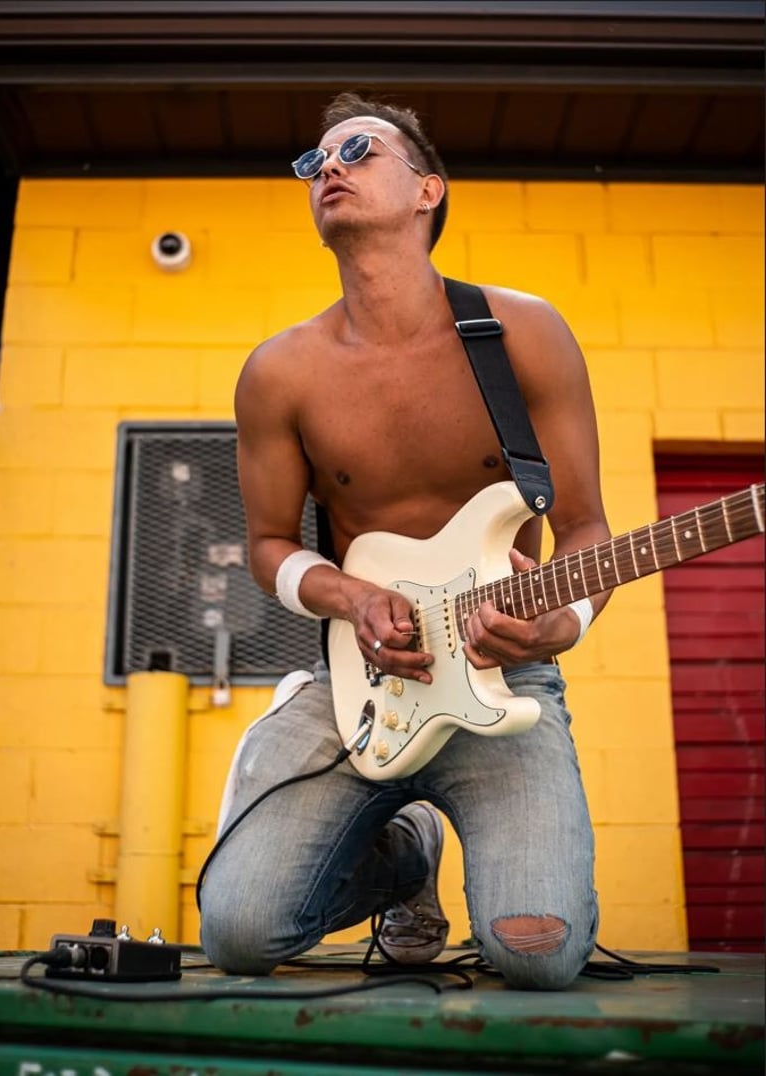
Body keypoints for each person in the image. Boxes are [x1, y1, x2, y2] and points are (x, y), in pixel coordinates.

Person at [199, 91, 612, 990]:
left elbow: (584, 526)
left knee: (537, 956)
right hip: (361, 683)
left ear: (429, 189)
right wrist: (350, 595)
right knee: (238, 932)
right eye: (314, 162)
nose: (329, 167)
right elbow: (268, 544)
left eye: (357, 150)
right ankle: (405, 859)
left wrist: (563, 623)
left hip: (504, 678)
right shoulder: (280, 372)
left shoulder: (522, 332)